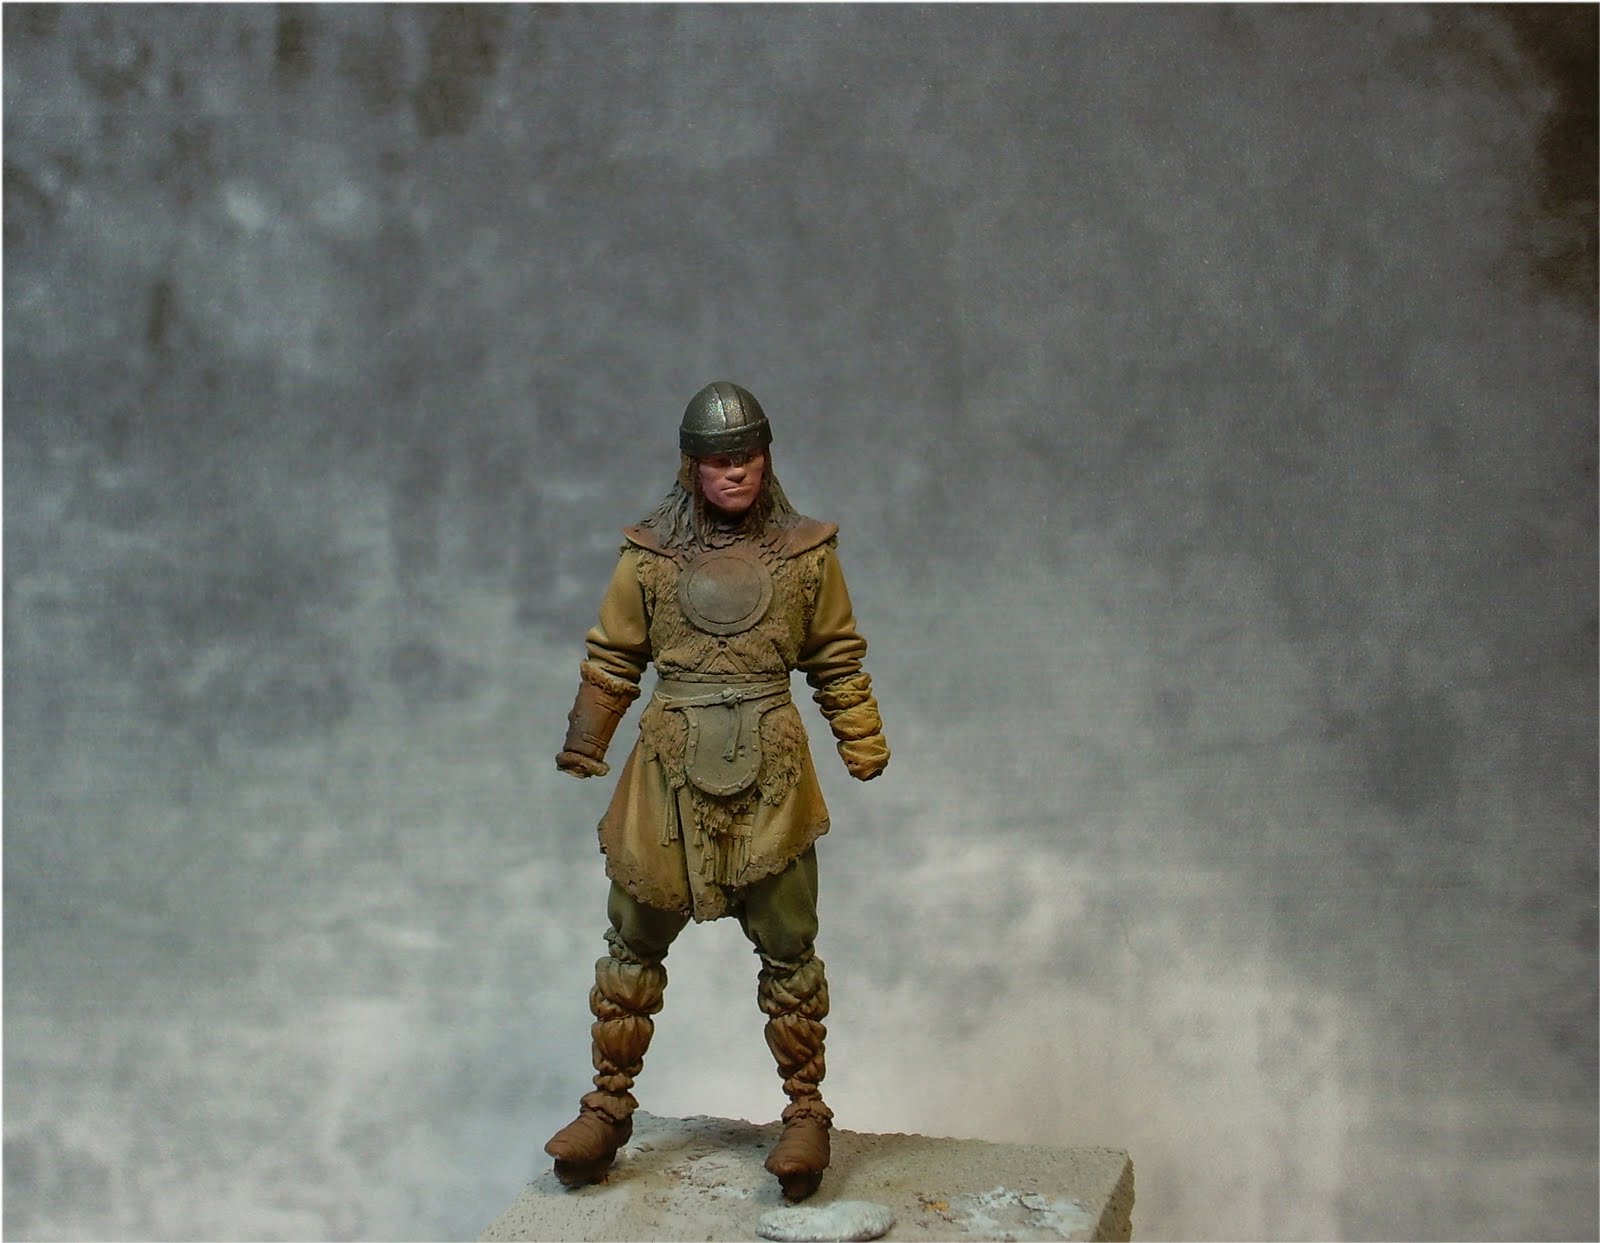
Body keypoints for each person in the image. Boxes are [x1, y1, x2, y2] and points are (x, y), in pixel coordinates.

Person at [545, 381, 890, 1201]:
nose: (734, 472)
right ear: (691, 466)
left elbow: (835, 654)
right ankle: (608, 1105)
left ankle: (805, 1110)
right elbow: (613, 654)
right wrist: (587, 739)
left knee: (791, 949)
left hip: (772, 775)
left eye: (747, 456)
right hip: (666, 773)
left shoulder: (807, 555)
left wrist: (861, 735)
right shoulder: (650, 557)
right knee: (631, 944)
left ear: (767, 459)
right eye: (718, 460)